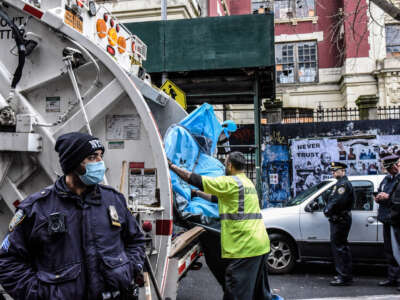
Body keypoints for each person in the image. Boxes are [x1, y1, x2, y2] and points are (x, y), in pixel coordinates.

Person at [0, 132, 145, 299]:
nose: (100, 163)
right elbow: (8, 262)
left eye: (100, 156)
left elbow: (136, 241)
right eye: (92, 157)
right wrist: (39, 295)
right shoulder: (36, 209)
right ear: (73, 163)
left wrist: (130, 269)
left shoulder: (113, 200)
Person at [169, 151, 272, 300]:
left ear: (229, 165)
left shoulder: (230, 182)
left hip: (245, 247)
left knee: (236, 292)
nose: (224, 166)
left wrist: (172, 166)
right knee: (258, 294)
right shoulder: (247, 183)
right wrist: (197, 194)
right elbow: (216, 197)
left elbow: (195, 179)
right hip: (260, 245)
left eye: (225, 163)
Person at [323, 162, 355, 286]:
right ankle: (344, 275)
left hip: (340, 219)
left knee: (340, 248)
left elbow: (337, 201)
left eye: (335, 170)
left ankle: (344, 276)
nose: (333, 173)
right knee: (341, 247)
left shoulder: (343, 184)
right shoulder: (339, 184)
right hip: (339, 218)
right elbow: (331, 198)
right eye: (332, 171)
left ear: (342, 171)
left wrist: (327, 210)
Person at [375, 154, 400, 289]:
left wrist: (388, 196)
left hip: (396, 219)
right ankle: (392, 277)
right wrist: (378, 196)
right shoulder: (386, 179)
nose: (390, 171)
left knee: (398, 251)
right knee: (389, 251)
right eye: (388, 169)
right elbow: (380, 190)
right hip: (386, 218)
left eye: (390, 168)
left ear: (395, 166)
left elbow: (397, 199)